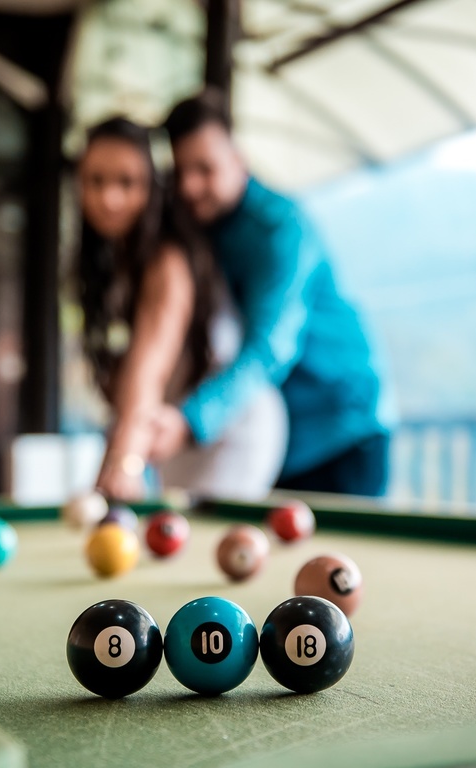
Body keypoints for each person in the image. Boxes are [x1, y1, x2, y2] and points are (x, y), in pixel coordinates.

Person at [151, 91, 396, 497]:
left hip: (344, 427)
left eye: (204, 169)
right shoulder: (197, 235)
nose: (191, 186)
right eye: (181, 172)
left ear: (237, 161)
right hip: (283, 437)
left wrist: (189, 421)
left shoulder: (282, 228)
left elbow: (270, 346)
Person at [76, 117, 287, 502]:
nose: (110, 198)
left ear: (154, 186)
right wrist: (118, 458)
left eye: (127, 182)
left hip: (231, 432)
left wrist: (122, 463)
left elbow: (148, 368)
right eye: (96, 180)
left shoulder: (167, 259)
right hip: (170, 437)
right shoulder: (116, 263)